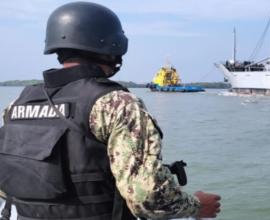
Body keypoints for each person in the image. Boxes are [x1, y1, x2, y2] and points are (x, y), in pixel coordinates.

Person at [0, 2, 221, 220]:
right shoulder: (116, 104)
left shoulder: (19, 104)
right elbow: (148, 199)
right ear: (111, 46)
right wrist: (197, 206)